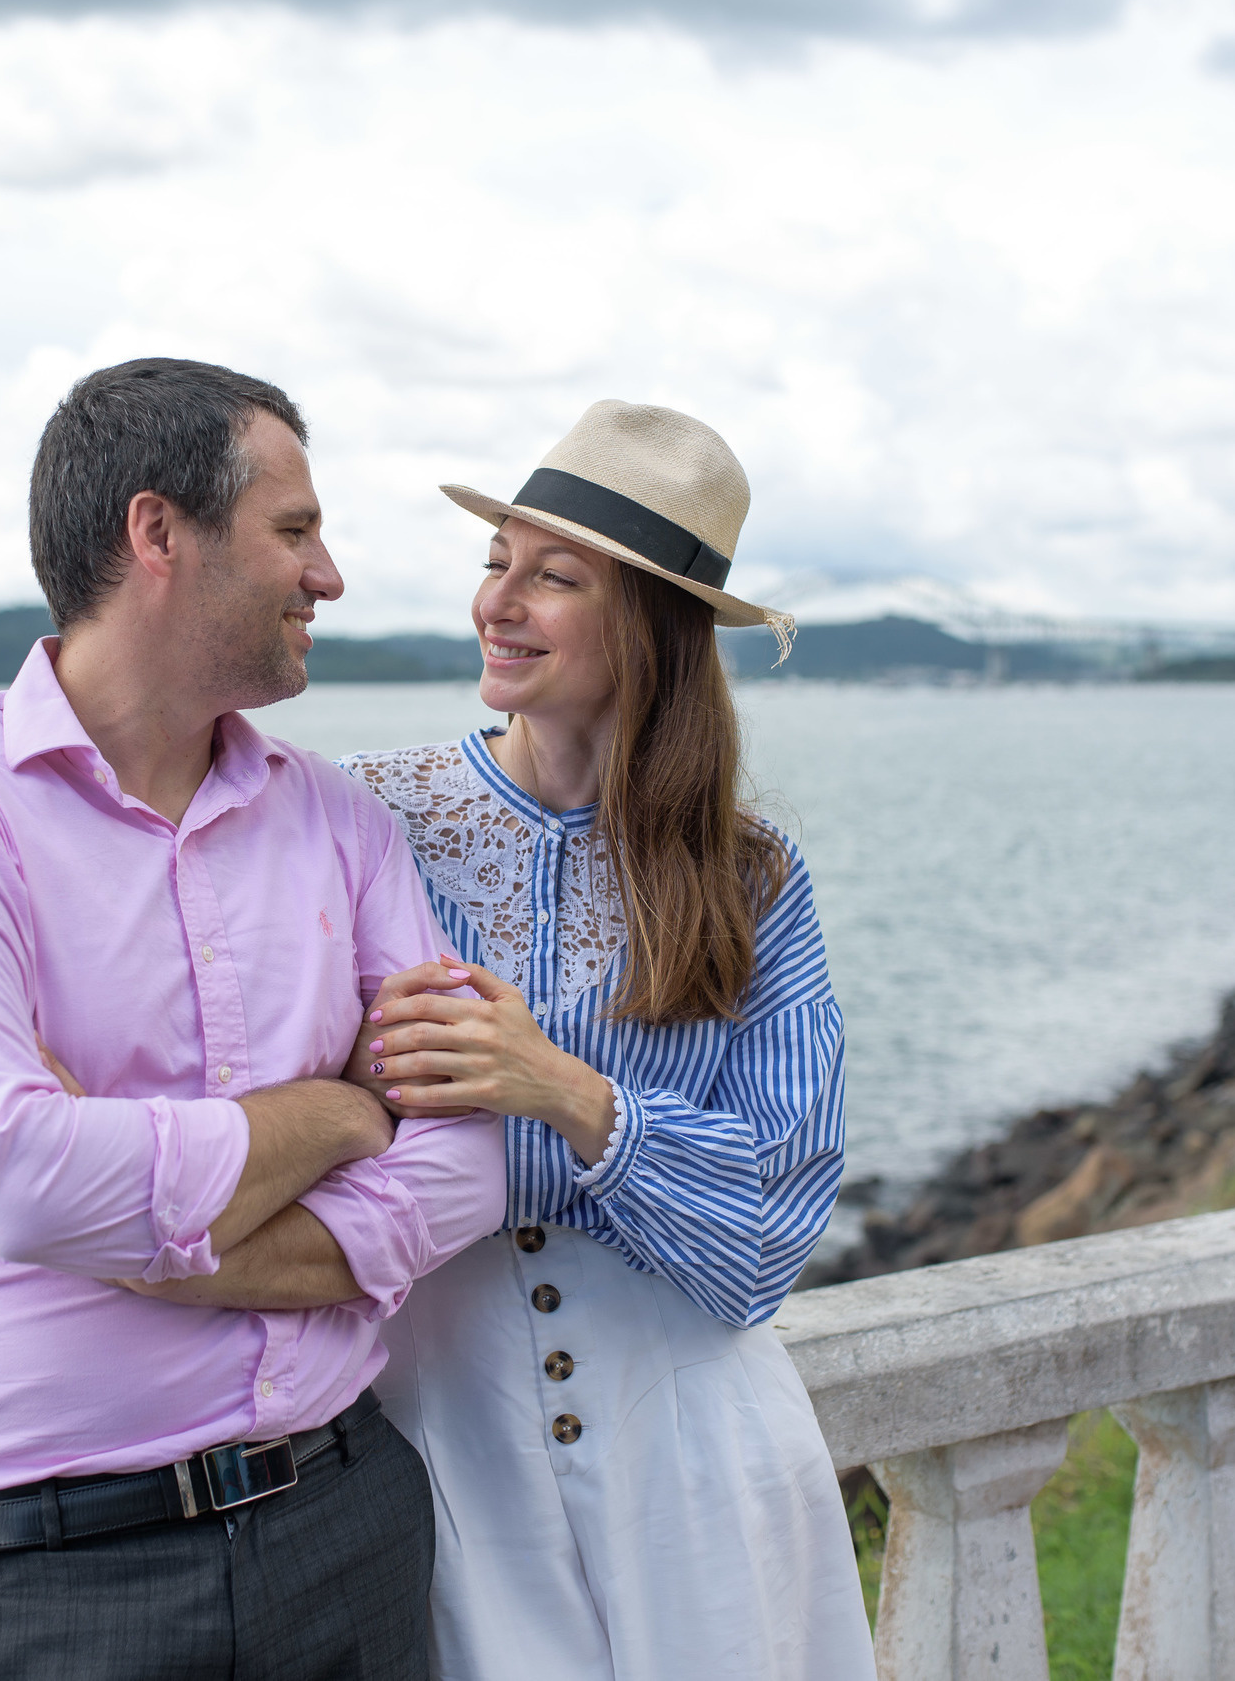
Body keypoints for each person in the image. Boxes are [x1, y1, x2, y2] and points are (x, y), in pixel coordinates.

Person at [0, 357, 503, 1681]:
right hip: (50, 1579)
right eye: (294, 530)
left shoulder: (342, 823)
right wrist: (342, 1111)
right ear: (157, 534)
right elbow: (21, 1179)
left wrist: (151, 1233)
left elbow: (471, 1154)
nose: (330, 575)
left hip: (348, 1518)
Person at [342, 402, 876, 1679]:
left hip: (695, 1465)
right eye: (495, 564)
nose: (497, 602)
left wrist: (572, 1095)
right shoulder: (364, 819)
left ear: (648, 623)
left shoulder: (748, 876)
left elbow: (770, 1233)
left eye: (553, 576)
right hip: (441, 1452)